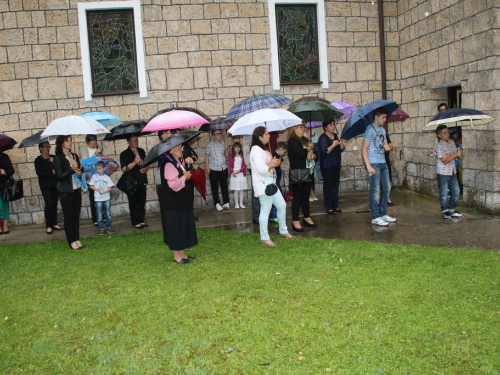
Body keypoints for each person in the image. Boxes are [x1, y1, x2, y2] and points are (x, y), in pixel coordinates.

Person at [250, 126, 295, 247]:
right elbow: (260, 169)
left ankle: (283, 230)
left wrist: (274, 162)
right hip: (264, 184)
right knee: (265, 210)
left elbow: (268, 164)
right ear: (260, 137)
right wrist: (271, 165)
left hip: (271, 183)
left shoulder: (263, 149)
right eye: (266, 134)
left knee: (282, 205)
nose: (269, 136)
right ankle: (264, 238)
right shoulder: (255, 150)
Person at [161, 144, 198, 264]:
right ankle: (177, 256)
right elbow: (174, 185)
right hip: (173, 204)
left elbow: (180, 173)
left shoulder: (175, 161)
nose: (182, 149)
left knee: (182, 227)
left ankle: (183, 254)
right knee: (176, 229)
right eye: (178, 148)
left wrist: (185, 167)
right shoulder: (168, 163)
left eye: (181, 147)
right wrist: (184, 178)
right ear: (171, 150)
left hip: (180, 203)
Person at [362, 107, 397, 226]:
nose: (385, 119)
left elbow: (385, 146)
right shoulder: (369, 130)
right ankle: (375, 216)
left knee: (386, 189)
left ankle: (383, 213)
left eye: (386, 117)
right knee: (375, 190)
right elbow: (363, 149)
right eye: (383, 117)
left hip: (383, 162)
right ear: (376, 117)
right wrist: (368, 166)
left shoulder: (382, 130)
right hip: (374, 163)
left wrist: (387, 147)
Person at [53, 135, 84, 249]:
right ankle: (71, 240)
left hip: (76, 189)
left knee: (76, 216)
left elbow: (81, 168)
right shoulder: (58, 158)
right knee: (68, 216)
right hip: (66, 191)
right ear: (61, 143)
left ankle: (76, 238)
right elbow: (60, 176)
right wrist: (71, 169)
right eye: (67, 141)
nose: (70, 143)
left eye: (71, 140)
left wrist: (80, 171)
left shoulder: (74, 155)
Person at [287, 124, 317, 232]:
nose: (303, 129)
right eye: (301, 127)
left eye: (303, 127)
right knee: (298, 197)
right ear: (294, 128)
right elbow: (299, 153)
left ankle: (307, 217)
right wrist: (307, 150)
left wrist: (313, 154)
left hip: (307, 171)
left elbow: (313, 152)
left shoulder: (305, 139)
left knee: (305, 196)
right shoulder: (292, 141)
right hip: (298, 172)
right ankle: (295, 220)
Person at [435, 125, 464, 220]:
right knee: (443, 193)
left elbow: (454, 155)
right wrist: (454, 155)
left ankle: (452, 208)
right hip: (443, 172)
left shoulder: (451, 142)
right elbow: (444, 161)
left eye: (448, 132)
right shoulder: (439, 145)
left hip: (452, 171)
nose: (447, 134)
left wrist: (451, 155)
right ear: (439, 135)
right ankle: (444, 210)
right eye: (445, 133)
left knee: (456, 191)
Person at [120, 134, 149, 229]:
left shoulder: (141, 151)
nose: (135, 142)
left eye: (136, 140)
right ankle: (135, 221)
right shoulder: (124, 154)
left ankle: (141, 220)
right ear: (128, 142)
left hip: (141, 179)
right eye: (133, 140)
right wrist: (135, 162)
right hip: (131, 182)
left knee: (142, 200)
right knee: (133, 201)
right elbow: (124, 169)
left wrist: (145, 168)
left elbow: (146, 164)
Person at [34, 142, 62, 234]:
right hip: (45, 185)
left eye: (49, 146)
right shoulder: (38, 160)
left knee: (54, 203)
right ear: (41, 148)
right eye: (46, 147)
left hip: (55, 184)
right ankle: (48, 225)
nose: (48, 148)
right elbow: (40, 173)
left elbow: (59, 168)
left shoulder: (53, 157)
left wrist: (52, 162)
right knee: (49, 204)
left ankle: (54, 223)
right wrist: (51, 172)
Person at [318, 120, 344, 214]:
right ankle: (329, 206)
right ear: (325, 127)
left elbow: (341, 148)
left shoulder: (336, 136)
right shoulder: (323, 138)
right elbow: (325, 151)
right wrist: (333, 145)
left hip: (336, 164)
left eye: (333, 125)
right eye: (330, 125)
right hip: (327, 166)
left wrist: (340, 140)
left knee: (335, 185)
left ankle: (335, 205)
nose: (333, 127)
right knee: (328, 186)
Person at [80, 134, 103, 226]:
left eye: (95, 140)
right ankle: (95, 218)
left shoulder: (98, 149)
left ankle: (102, 216)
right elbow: (85, 162)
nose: (94, 142)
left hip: (99, 176)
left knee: (102, 197)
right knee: (93, 198)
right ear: (88, 141)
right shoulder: (84, 150)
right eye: (92, 140)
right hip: (90, 178)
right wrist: (95, 155)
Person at [205, 130, 229, 211]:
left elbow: (227, 156)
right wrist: (207, 168)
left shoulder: (223, 144)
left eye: (220, 133)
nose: (219, 135)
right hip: (213, 169)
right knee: (214, 187)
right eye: (217, 134)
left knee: (224, 186)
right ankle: (217, 203)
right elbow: (206, 157)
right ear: (213, 136)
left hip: (223, 168)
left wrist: (226, 149)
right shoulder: (210, 145)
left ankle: (226, 202)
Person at [89, 161, 115, 235]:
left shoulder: (106, 177)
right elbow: (91, 185)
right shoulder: (94, 177)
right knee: (99, 215)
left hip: (106, 198)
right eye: (97, 169)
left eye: (100, 169)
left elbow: (110, 187)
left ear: (104, 168)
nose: (98, 170)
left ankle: (109, 227)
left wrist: (105, 191)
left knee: (108, 214)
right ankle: (101, 229)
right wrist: (96, 189)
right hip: (98, 199)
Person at [269, 142, 287, 222]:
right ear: (280, 149)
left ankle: (275, 215)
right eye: (284, 152)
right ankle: (274, 215)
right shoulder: (274, 156)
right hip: (274, 179)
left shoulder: (278, 156)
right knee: (277, 197)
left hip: (277, 178)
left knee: (278, 197)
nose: (284, 153)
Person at [0, 145, 15, 235]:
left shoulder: (4, 157)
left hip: (4, 184)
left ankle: (5, 225)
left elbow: (11, 170)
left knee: (5, 205)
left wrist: (4, 172)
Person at [228, 142, 248, 209]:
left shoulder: (242, 156)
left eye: (239, 147)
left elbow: (244, 165)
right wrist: (232, 172)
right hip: (234, 175)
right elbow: (230, 166)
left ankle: (241, 203)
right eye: (236, 147)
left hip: (241, 174)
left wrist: (240, 170)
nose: (237, 148)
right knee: (236, 190)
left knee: (241, 189)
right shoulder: (231, 156)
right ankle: (236, 203)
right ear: (233, 148)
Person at [304, 127, 319, 201]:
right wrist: (307, 136)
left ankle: (313, 192)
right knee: (307, 176)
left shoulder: (314, 131)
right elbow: (301, 144)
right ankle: (309, 194)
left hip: (312, 156)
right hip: (305, 158)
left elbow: (316, 144)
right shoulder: (301, 133)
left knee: (313, 176)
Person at [385, 133, 394, 205]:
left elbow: (390, 144)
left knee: (389, 180)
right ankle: (378, 199)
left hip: (385, 159)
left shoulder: (384, 133)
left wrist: (388, 147)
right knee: (378, 182)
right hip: (377, 161)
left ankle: (387, 197)